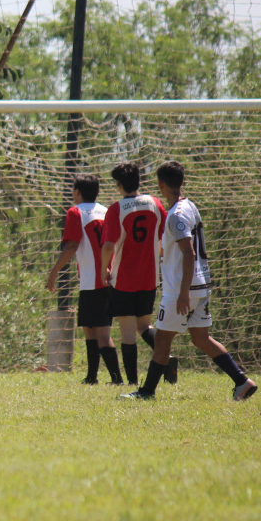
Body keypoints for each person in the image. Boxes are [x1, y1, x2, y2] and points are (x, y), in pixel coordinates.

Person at [123, 162, 257, 400]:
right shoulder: (190, 206)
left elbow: (188, 252)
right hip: (200, 284)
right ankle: (242, 381)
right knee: (200, 338)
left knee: (162, 339)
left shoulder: (176, 214)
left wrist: (183, 292)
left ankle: (146, 392)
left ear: (160, 184)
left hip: (182, 288)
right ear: (182, 181)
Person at [46, 174, 123, 385]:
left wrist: (54, 271)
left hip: (93, 280)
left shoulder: (75, 212)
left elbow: (72, 245)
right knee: (90, 329)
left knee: (101, 334)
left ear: (78, 192)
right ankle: (91, 377)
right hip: (109, 278)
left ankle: (117, 379)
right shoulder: (106, 211)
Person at [99, 162, 171, 386]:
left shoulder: (116, 209)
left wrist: (104, 270)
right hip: (149, 276)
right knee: (144, 326)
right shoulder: (155, 203)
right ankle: (167, 358)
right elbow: (164, 238)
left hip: (124, 279)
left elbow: (108, 246)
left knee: (128, 333)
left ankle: (132, 383)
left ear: (119, 185)